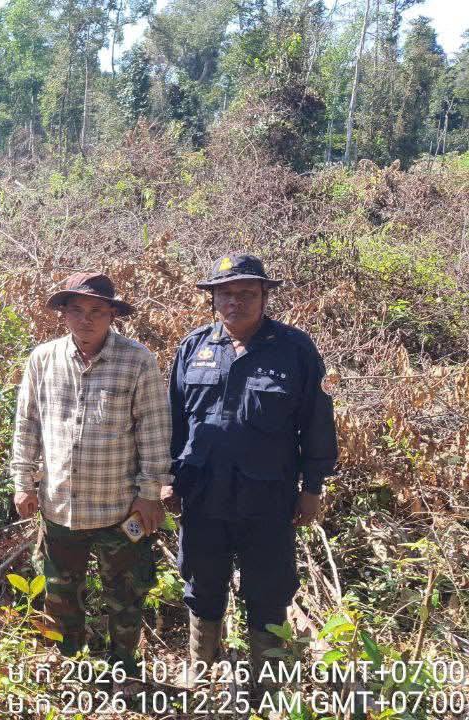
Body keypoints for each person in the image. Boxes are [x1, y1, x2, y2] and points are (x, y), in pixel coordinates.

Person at [164, 254, 338, 688]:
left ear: (264, 296)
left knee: (268, 589)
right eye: (226, 293)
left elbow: (316, 423)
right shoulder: (193, 348)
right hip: (202, 494)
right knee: (203, 585)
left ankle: (267, 684)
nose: (235, 302)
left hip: (268, 496)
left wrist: (312, 488)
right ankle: (201, 669)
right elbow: (172, 423)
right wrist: (167, 479)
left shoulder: (294, 350)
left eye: (246, 293)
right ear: (213, 299)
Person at [10, 271, 171, 672]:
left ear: (112, 314)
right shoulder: (42, 359)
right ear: (63, 314)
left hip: (119, 509)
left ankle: (124, 665)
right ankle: (71, 662)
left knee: (127, 593)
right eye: (77, 310)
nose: (87, 319)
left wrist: (149, 493)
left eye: (97, 311)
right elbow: (27, 424)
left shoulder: (137, 360)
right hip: (60, 505)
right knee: (62, 592)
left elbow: (154, 430)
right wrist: (22, 482)